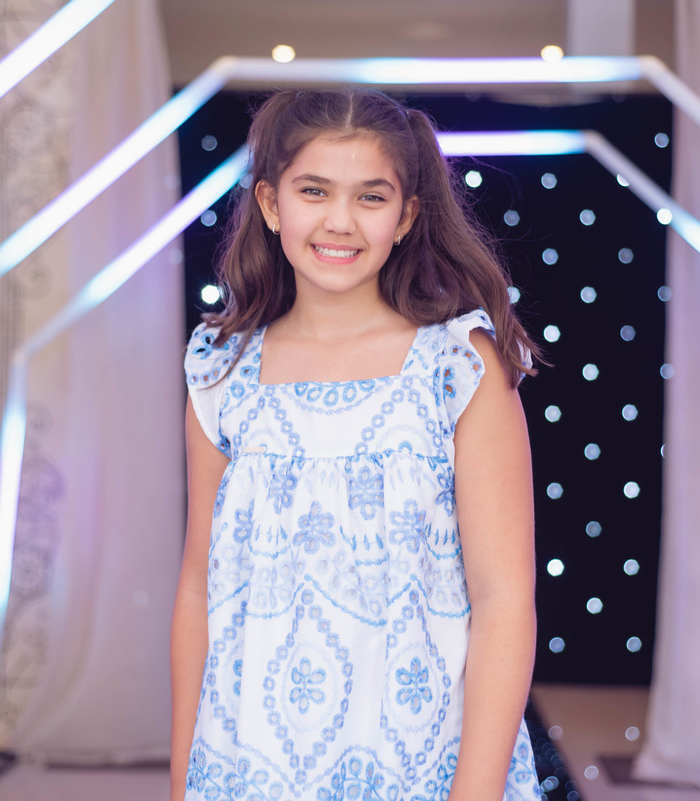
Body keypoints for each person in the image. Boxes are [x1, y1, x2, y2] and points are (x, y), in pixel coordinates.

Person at [173, 88, 543, 801]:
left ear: (405, 216)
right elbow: (198, 588)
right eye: (314, 191)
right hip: (250, 767)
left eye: (371, 197)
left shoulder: (458, 365)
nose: (339, 220)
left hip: (421, 766)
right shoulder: (220, 367)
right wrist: (184, 779)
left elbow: (504, 600)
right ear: (272, 203)